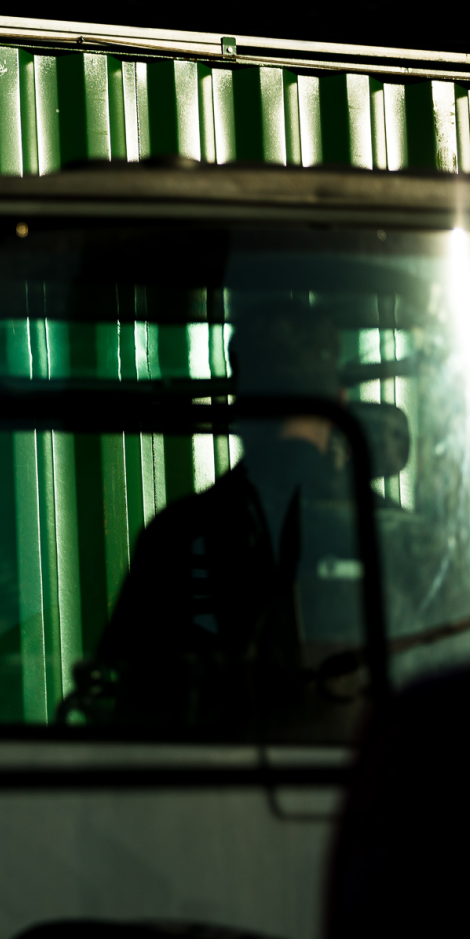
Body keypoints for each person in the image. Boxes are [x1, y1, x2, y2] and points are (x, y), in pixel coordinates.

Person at [62, 305, 366, 738]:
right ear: (341, 403)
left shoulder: (176, 537)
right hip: (372, 790)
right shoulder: (398, 538)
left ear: (238, 409)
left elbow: (125, 711)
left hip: (202, 791)